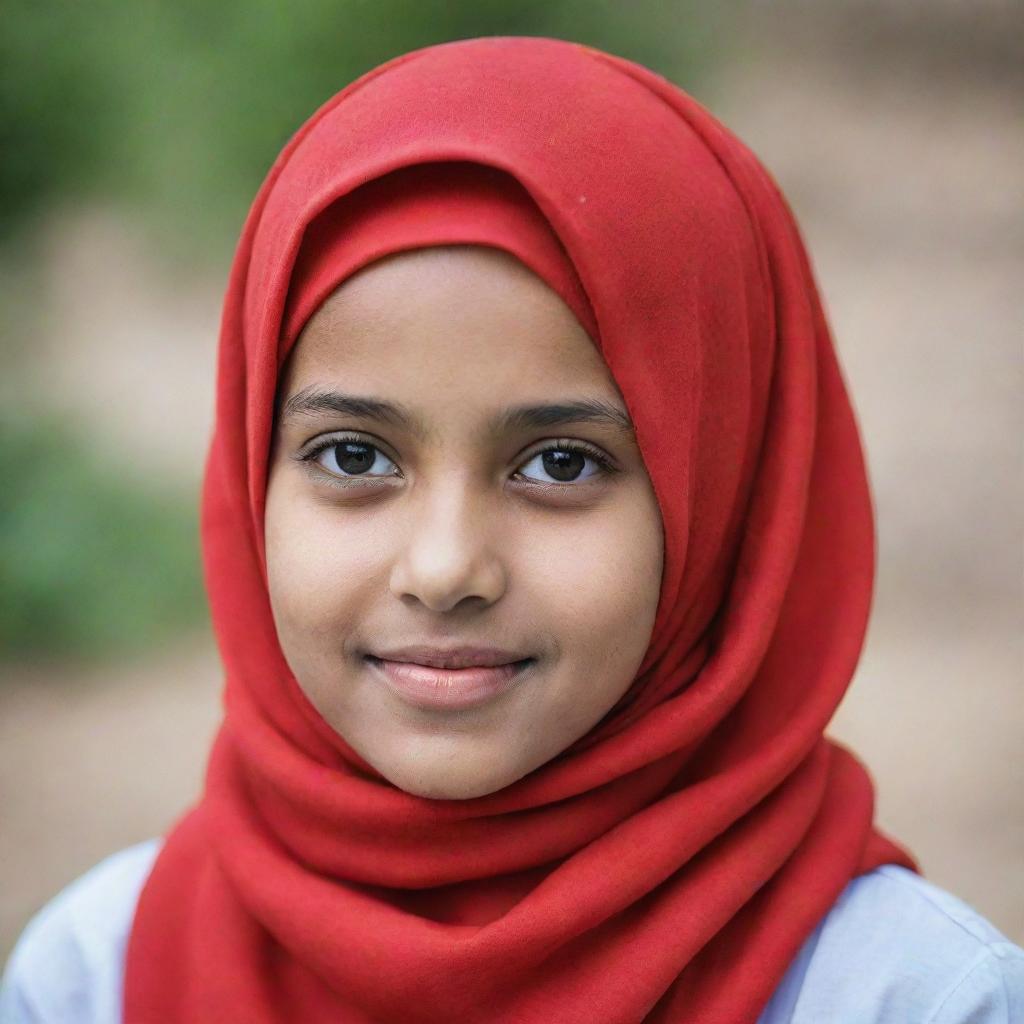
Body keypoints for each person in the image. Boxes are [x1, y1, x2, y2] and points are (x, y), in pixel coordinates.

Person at [1, 35, 1021, 1024]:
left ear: (722, 504)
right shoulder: (99, 977)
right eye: (354, 456)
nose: (445, 567)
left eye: (560, 463)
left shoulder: (907, 999)